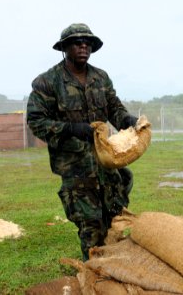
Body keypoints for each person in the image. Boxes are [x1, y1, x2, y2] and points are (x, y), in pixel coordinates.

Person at [26, 23, 138, 261]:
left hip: (105, 163)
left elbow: (113, 107)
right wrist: (72, 129)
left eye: (87, 43)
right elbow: (36, 121)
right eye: (77, 43)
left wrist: (127, 120)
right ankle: (93, 273)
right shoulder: (47, 82)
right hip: (75, 168)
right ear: (65, 47)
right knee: (91, 226)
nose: (83, 46)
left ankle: (112, 271)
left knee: (114, 217)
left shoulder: (100, 78)